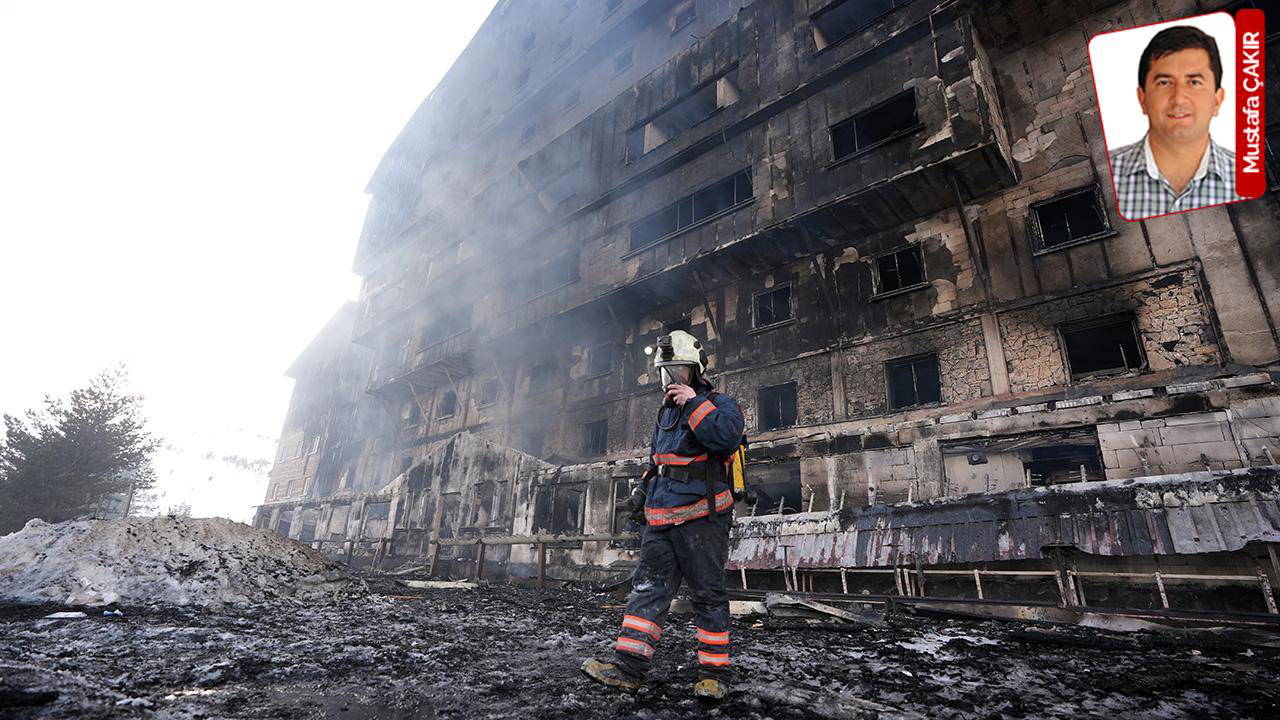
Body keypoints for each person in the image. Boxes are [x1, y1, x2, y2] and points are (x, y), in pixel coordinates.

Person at [581, 330, 744, 701]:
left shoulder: (720, 404)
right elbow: (658, 462)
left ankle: (713, 676)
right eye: (665, 372)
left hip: (703, 518)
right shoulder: (665, 416)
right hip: (661, 519)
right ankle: (627, 669)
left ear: (696, 370)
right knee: (646, 591)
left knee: (708, 595)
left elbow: (725, 439)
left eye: (677, 371)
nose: (670, 380)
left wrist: (693, 403)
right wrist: (640, 492)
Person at [1109, 25, 1241, 220]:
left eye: (1194, 82)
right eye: (1164, 83)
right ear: (1142, 98)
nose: (1179, 98)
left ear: (1217, 100)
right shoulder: (1111, 173)